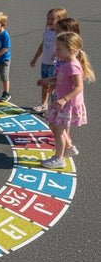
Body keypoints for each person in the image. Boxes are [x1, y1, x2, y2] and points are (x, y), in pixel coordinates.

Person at [41, 32, 94, 169]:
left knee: (58, 130)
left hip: (67, 103)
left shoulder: (72, 65)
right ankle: (69, 147)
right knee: (53, 125)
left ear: (70, 50)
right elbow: (61, 78)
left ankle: (59, 158)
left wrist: (64, 99)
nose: (56, 51)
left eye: (58, 48)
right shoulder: (65, 62)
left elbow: (78, 87)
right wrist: (48, 81)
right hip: (61, 100)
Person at [30, 8, 68, 113]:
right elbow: (42, 46)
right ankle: (44, 104)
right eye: (48, 18)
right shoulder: (47, 32)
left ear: (60, 21)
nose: (49, 21)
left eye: (52, 19)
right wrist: (35, 58)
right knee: (44, 84)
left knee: (53, 87)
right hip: (45, 63)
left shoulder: (59, 35)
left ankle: (54, 107)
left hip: (54, 65)